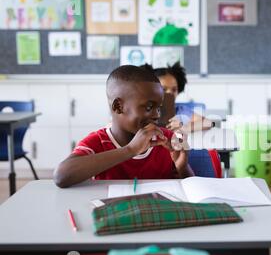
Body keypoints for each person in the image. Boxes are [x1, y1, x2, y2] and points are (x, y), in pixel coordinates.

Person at [54, 65, 194, 188]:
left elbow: (192, 188)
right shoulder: (98, 143)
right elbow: (61, 176)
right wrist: (130, 150)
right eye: (149, 107)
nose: (157, 115)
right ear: (118, 107)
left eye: (158, 108)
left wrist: (182, 167)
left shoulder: (166, 139)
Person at [141, 62, 214, 132]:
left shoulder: (179, 110)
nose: (170, 93)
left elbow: (208, 123)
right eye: (163, 89)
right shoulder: (141, 110)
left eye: (174, 89)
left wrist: (184, 127)